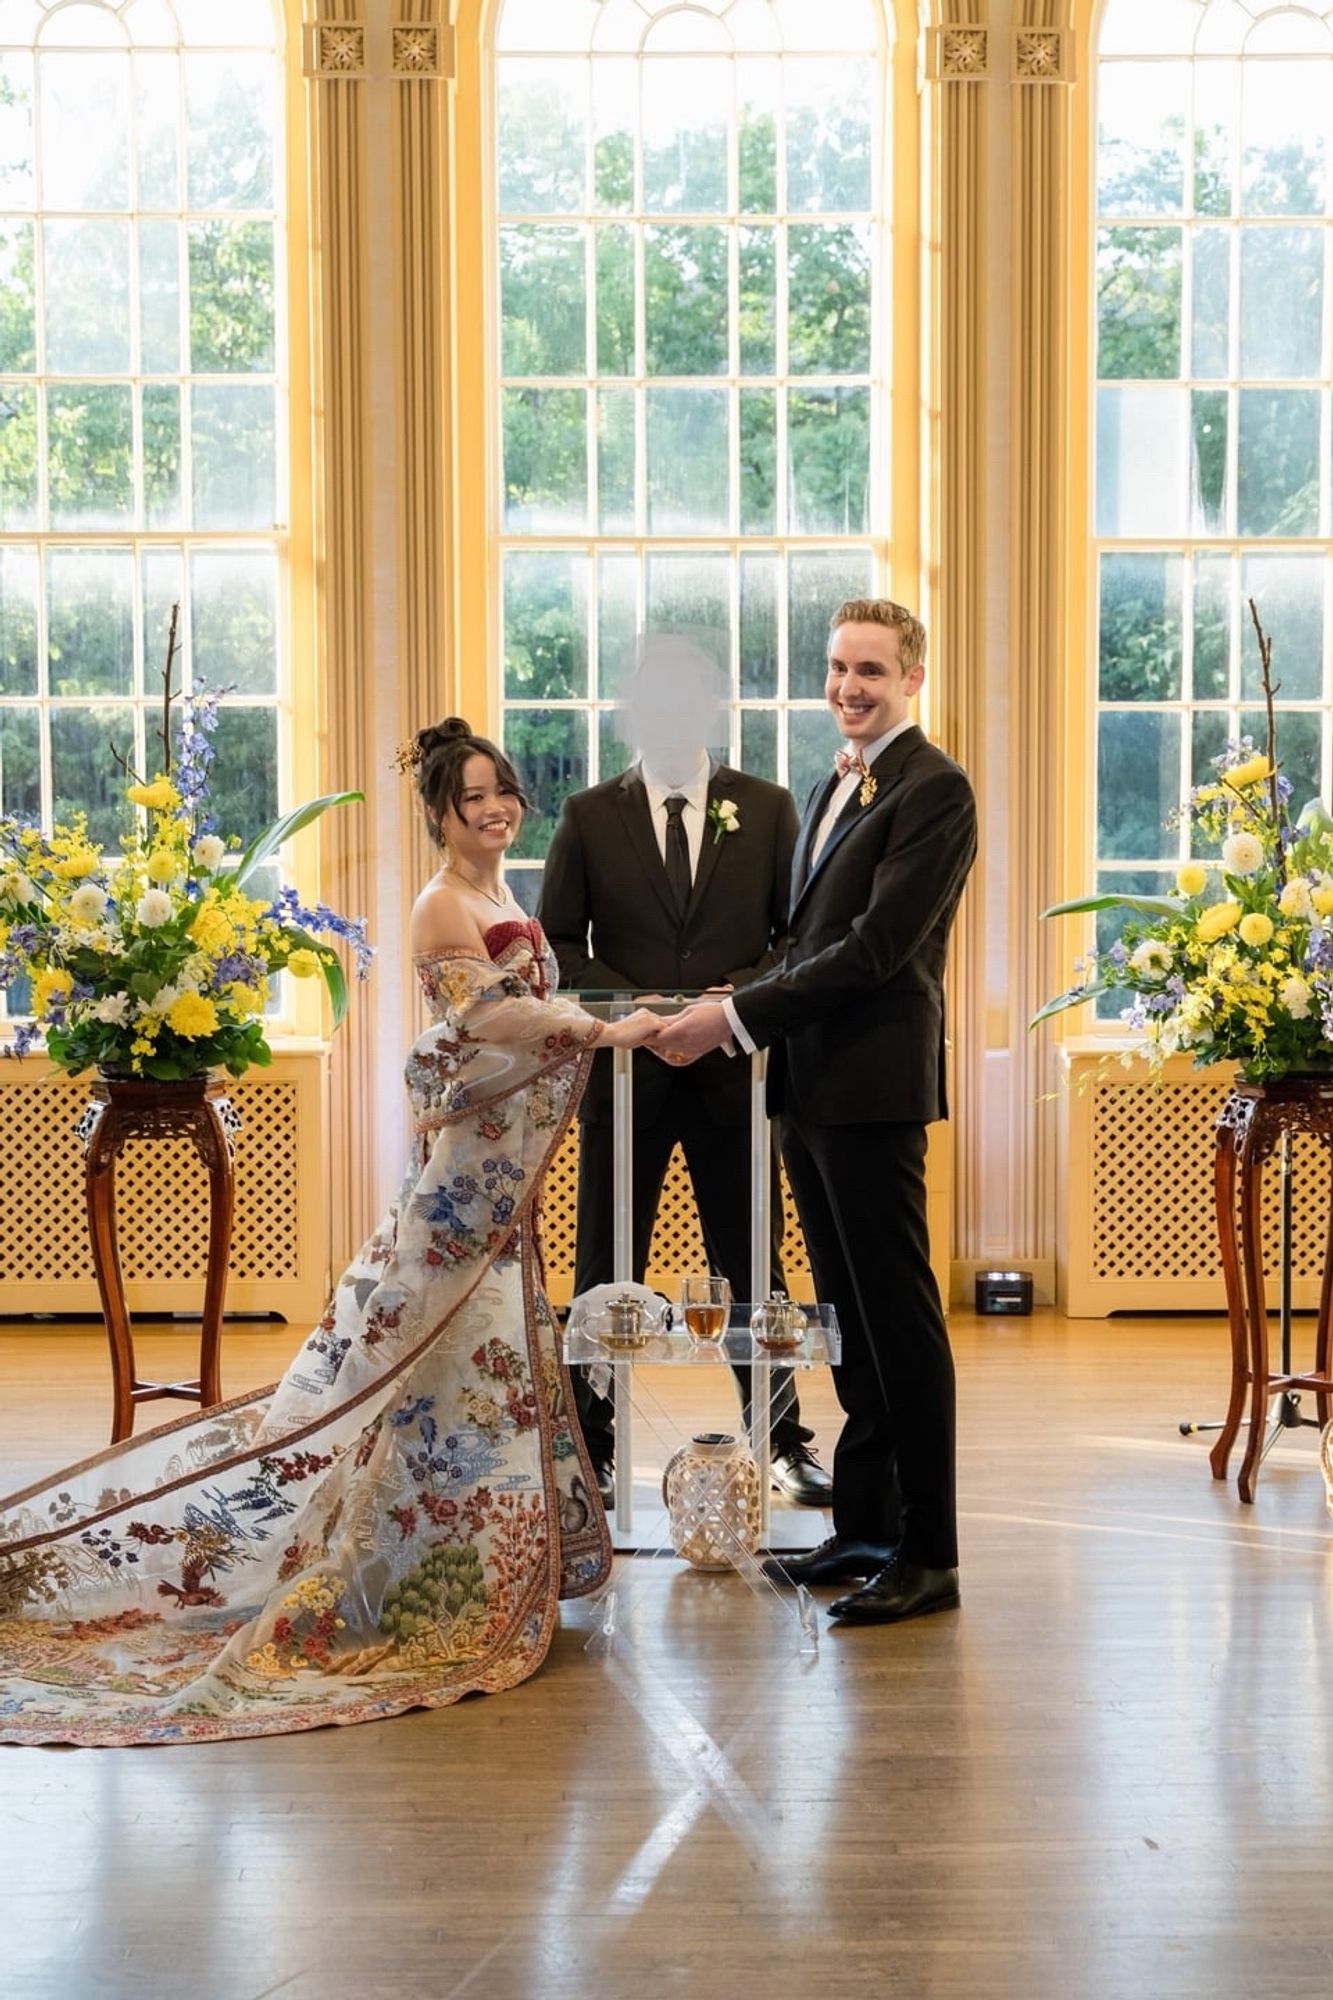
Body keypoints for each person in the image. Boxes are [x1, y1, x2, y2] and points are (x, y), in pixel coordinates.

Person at [0, 719, 660, 1745]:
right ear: (438, 812)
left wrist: (598, 1011)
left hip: (501, 1171)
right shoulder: (441, 902)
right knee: (431, 1358)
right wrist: (593, 1025)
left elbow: (516, 1005)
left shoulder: (498, 894)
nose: (492, 809)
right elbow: (486, 1020)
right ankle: (382, 1577)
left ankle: (462, 1561)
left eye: (502, 792)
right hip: (464, 1177)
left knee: (469, 1368)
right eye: (470, 797)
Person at [653, 599, 977, 1624]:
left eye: (870, 670)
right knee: (847, 1324)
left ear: (912, 678)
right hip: (809, 1084)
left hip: (874, 1088)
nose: (848, 686)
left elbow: (876, 950)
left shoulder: (935, 788)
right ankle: (869, 1526)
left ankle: (929, 1552)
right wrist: (720, 1003)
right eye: (838, 667)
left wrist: (732, 1016)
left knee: (900, 1321)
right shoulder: (838, 779)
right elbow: (804, 944)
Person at [538, 639, 832, 1507]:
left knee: (753, 1260)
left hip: (732, 1073)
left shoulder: (770, 808)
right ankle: (588, 1449)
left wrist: (728, 1004)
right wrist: (640, 1017)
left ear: (711, 706)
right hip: (624, 1083)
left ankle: (779, 1441)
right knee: (602, 1266)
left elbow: (796, 941)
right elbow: (556, 942)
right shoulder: (590, 814)